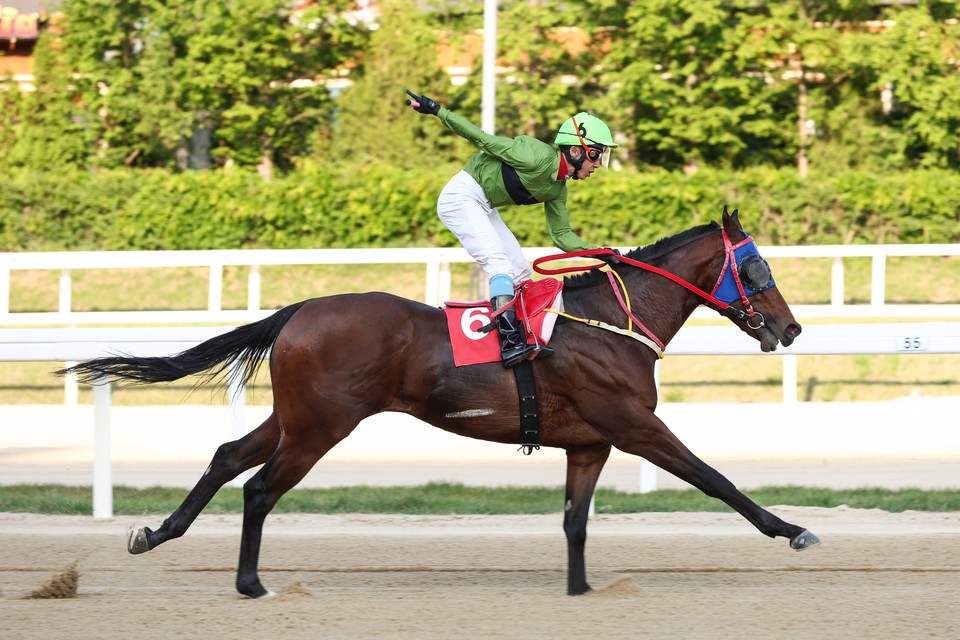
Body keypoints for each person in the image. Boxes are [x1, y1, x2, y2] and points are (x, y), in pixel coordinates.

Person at [404, 88, 619, 368]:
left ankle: (526, 335)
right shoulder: (534, 156)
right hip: (461, 196)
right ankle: (509, 343)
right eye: (596, 156)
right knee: (500, 266)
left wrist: (599, 252)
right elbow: (481, 139)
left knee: (519, 271)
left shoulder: (558, 189)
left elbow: (561, 236)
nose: (597, 166)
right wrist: (437, 111)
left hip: (483, 204)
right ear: (577, 150)